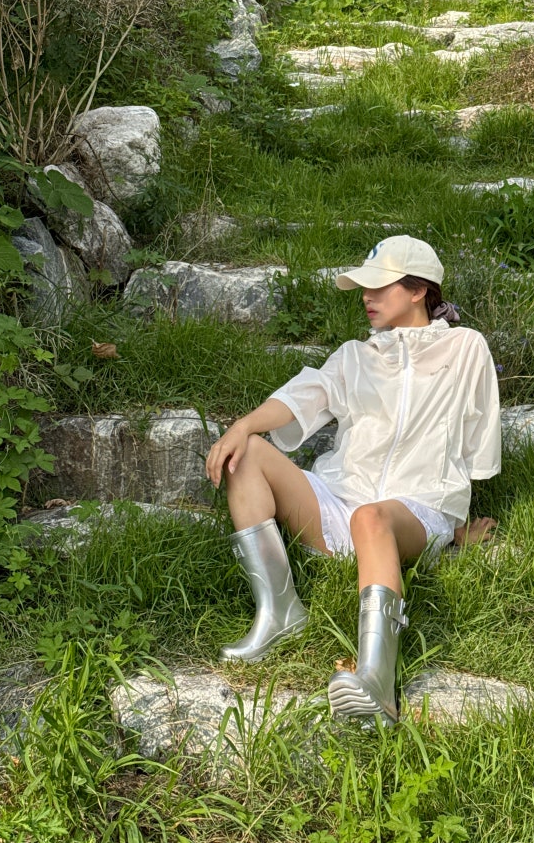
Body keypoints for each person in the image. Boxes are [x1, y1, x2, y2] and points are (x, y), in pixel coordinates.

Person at [205, 235, 501, 726]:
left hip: (415, 509)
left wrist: (454, 527)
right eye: (364, 287)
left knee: (371, 518)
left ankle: (376, 683)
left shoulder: (465, 348)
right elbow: (302, 396)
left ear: (418, 290)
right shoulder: (354, 356)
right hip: (340, 500)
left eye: (379, 287)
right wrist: (243, 426)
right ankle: (280, 613)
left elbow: (472, 448)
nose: (366, 297)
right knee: (249, 453)